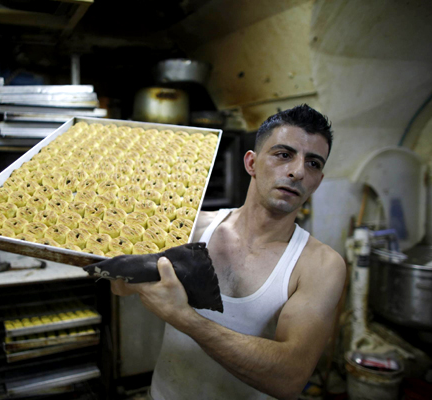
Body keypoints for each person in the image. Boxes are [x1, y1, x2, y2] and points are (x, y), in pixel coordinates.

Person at [111, 104, 346, 400]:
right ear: (251, 163)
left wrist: (184, 318)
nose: (298, 171)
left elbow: (289, 378)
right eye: (283, 155)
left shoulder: (320, 266)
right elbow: (121, 287)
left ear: (319, 181)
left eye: (313, 163)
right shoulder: (192, 229)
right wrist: (122, 267)